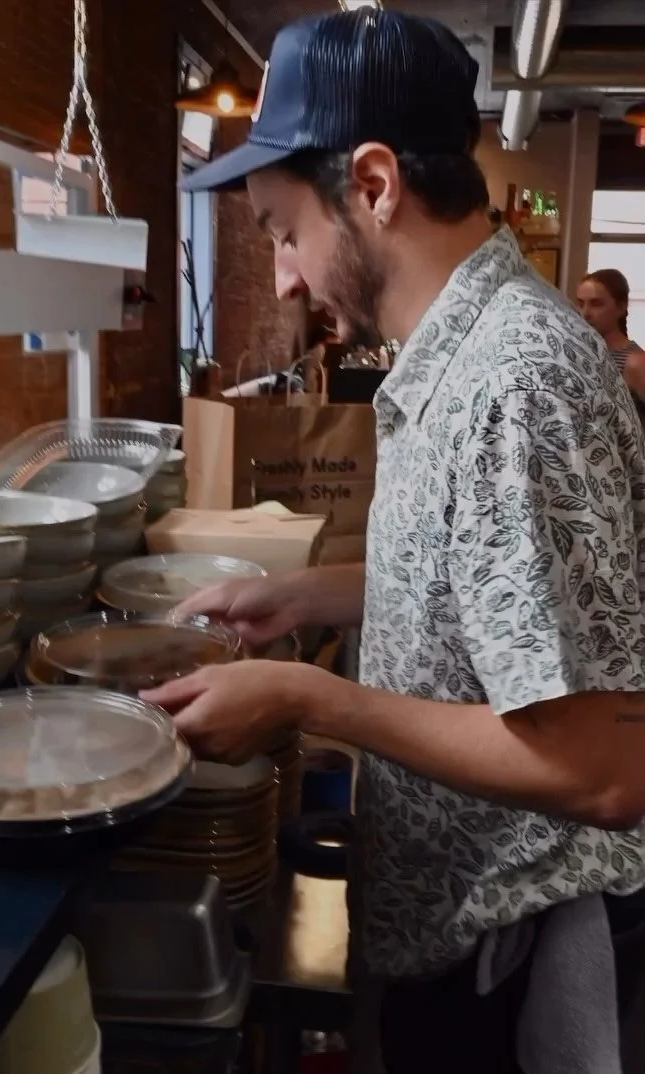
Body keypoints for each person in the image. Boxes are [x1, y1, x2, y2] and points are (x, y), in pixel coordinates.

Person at [146, 9, 645, 1071]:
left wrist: (306, 698)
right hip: (450, 924)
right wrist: (306, 596)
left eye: (284, 231)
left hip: (506, 956)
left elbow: (604, 766)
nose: (284, 275)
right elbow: (484, 592)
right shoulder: (453, 360)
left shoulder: (515, 385)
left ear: (372, 185)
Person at [577, 268, 645, 400]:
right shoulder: (582, 355)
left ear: (621, 307)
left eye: (596, 304)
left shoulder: (636, 363)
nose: (585, 313)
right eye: (581, 304)